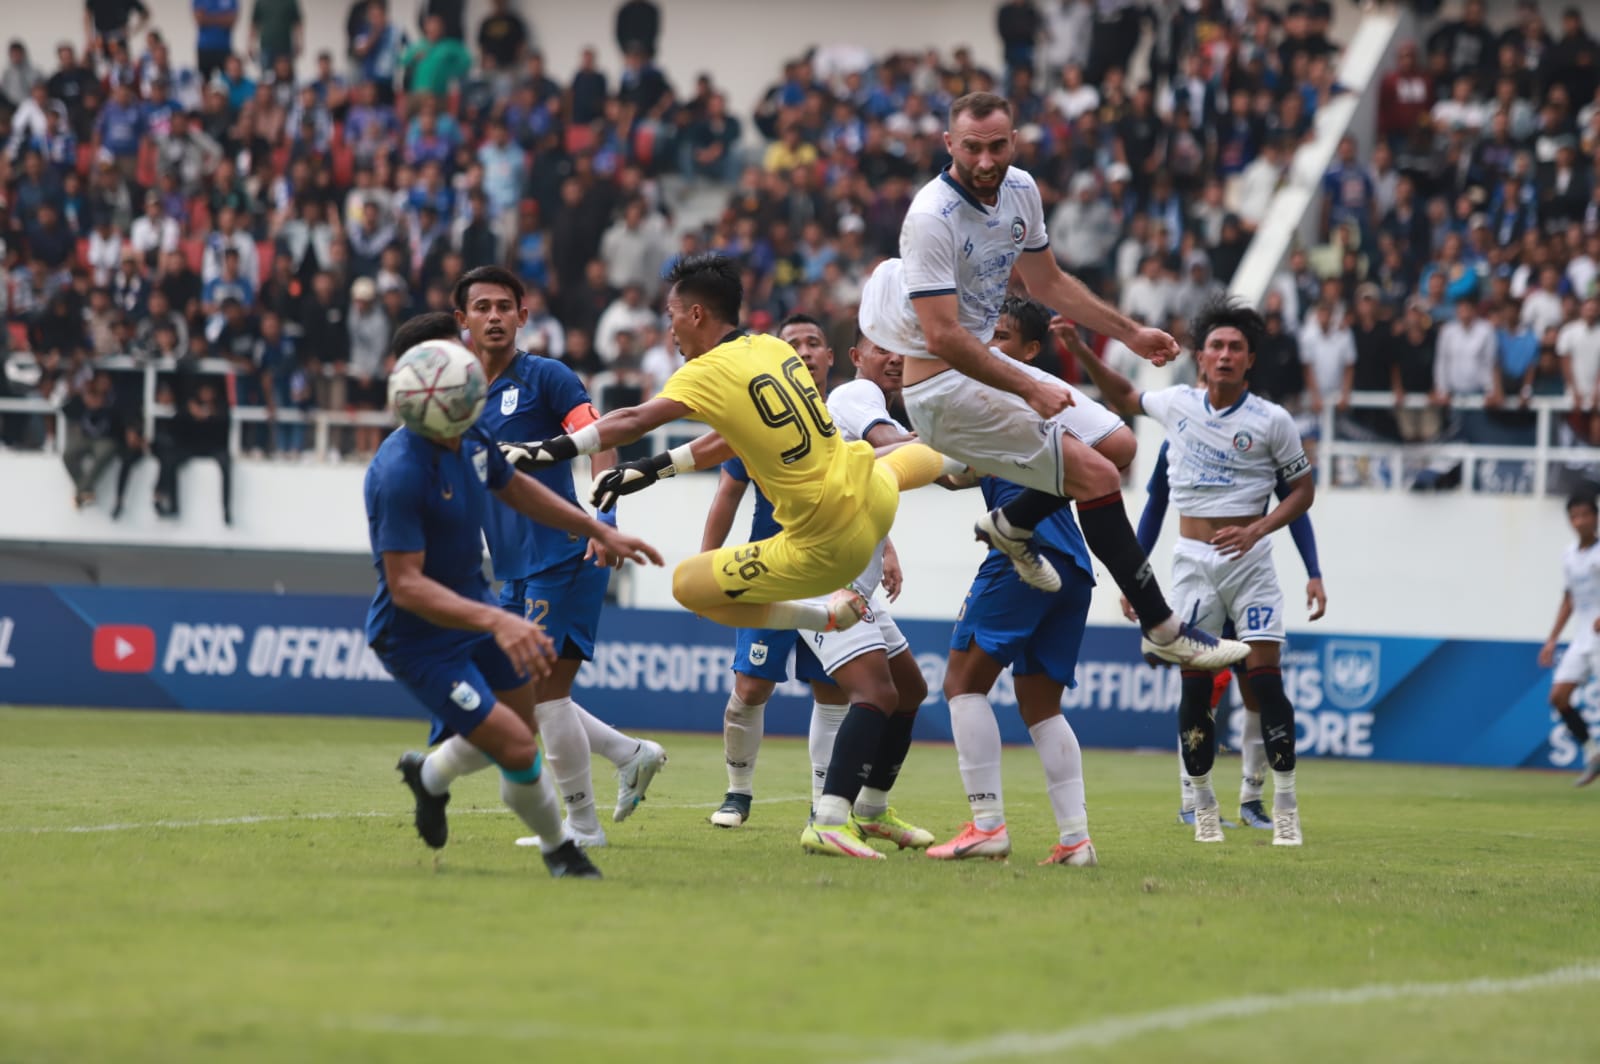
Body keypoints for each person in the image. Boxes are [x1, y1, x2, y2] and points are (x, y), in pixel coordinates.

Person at [857, 91, 1246, 673]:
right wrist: (1028, 388)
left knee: (1118, 447)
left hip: (982, 369)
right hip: (940, 389)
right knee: (1095, 476)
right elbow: (941, 336)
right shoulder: (931, 218)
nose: (986, 160)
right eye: (972, 148)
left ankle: (1012, 522)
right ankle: (1162, 628)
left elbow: (1049, 283)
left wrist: (1130, 332)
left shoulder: (1020, 189)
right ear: (949, 145)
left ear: (1014, 141)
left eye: (997, 146)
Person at [506, 252, 955, 638]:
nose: (670, 329)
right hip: (871, 497)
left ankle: (824, 618)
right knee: (896, 462)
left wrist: (548, 450)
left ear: (696, 314)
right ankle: (961, 458)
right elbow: (733, 438)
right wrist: (651, 469)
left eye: (671, 316)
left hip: (825, 548)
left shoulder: (706, 371)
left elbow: (633, 420)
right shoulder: (774, 349)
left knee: (689, 587)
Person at [395, 274, 669, 850]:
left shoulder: (547, 376)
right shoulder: (459, 394)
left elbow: (599, 438)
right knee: (535, 696)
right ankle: (630, 754)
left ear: (523, 316)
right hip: (510, 566)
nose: (494, 316)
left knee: (539, 694)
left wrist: (606, 516)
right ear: (462, 319)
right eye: (482, 307)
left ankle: (583, 826)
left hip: (564, 553)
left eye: (505, 307)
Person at [1069, 296, 1315, 846]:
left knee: (1265, 683)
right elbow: (1125, 397)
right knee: (1196, 689)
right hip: (1192, 567)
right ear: (1200, 358)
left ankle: (1283, 804)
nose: (1225, 355)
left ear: (1250, 360)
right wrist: (1080, 351)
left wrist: (1257, 529)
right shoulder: (1178, 405)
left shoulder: (1272, 421)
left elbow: (1303, 491)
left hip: (1251, 566)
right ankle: (1201, 804)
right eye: (1216, 346)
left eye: (1236, 348)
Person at [701, 315, 937, 859]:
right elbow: (728, 490)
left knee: (898, 691)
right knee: (759, 689)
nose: (804, 352)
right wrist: (707, 569)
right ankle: (772, 801)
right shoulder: (829, 403)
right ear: (856, 357)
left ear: (831, 356)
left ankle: (857, 811)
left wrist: (888, 547)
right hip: (792, 574)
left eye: (813, 343)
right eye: (793, 345)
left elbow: (861, 483)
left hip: (845, 577)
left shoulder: (838, 414)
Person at [929, 308, 1101, 867]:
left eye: (1002, 337)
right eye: (986, 336)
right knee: (1040, 705)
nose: (989, 345)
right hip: (1073, 564)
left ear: (1030, 352)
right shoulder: (1032, 408)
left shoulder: (1002, 400)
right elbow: (954, 473)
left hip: (1024, 552)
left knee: (962, 684)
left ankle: (987, 826)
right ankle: (1076, 840)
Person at [1136, 422, 1327, 829]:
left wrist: (1314, 571)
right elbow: (1155, 504)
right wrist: (1134, 575)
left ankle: (1251, 798)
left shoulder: (1260, 436)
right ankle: (1193, 800)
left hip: (1248, 578)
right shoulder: (1179, 437)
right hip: (1199, 578)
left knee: (1258, 688)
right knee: (1198, 689)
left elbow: (1295, 503)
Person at [1538, 493, 1600, 788]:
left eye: (1585, 515)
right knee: (1558, 698)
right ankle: (1593, 754)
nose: (1580, 521)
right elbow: (1569, 599)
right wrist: (1552, 639)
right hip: (1582, 637)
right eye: (1575, 516)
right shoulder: (1569, 555)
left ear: (1596, 518)